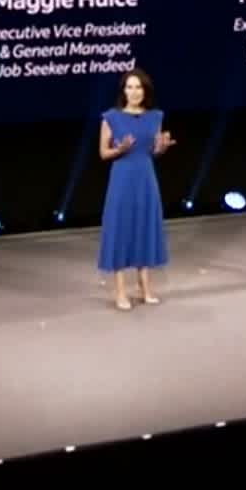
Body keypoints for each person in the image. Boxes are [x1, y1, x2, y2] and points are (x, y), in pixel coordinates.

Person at [97, 69, 175, 310]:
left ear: (145, 91)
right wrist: (119, 150)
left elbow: (153, 151)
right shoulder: (111, 117)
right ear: (123, 91)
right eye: (129, 87)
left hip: (146, 178)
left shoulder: (155, 116)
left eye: (138, 87)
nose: (134, 92)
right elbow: (103, 153)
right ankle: (120, 291)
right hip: (122, 178)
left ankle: (145, 287)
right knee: (121, 228)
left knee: (145, 226)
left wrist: (161, 147)